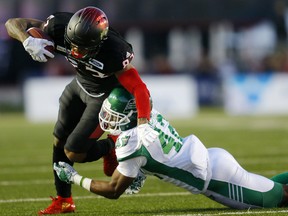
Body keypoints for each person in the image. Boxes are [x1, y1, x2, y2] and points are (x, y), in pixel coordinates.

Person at [5, 6, 154, 215]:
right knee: (58, 140)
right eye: (72, 44)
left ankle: (110, 145)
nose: (75, 52)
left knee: (74, 152)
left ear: (99, 42)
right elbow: (12, 23)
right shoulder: (58, 26)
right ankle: (64, 201)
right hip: (78, 86)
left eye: (82, 47)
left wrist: (143, 121)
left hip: (102, 97)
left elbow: (139, 87)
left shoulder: (115, 51)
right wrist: (26, 39)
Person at [54, 86, 288, 210]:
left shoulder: (130, 142)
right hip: (211, 160)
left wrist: (75, 178)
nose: (109, 120)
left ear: (131, 114)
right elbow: (150, 154)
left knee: (280, 197)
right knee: (273, 188)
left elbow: (114, 189)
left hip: (216, 179)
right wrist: (140, 170)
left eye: (115, 116)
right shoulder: (148, 115)